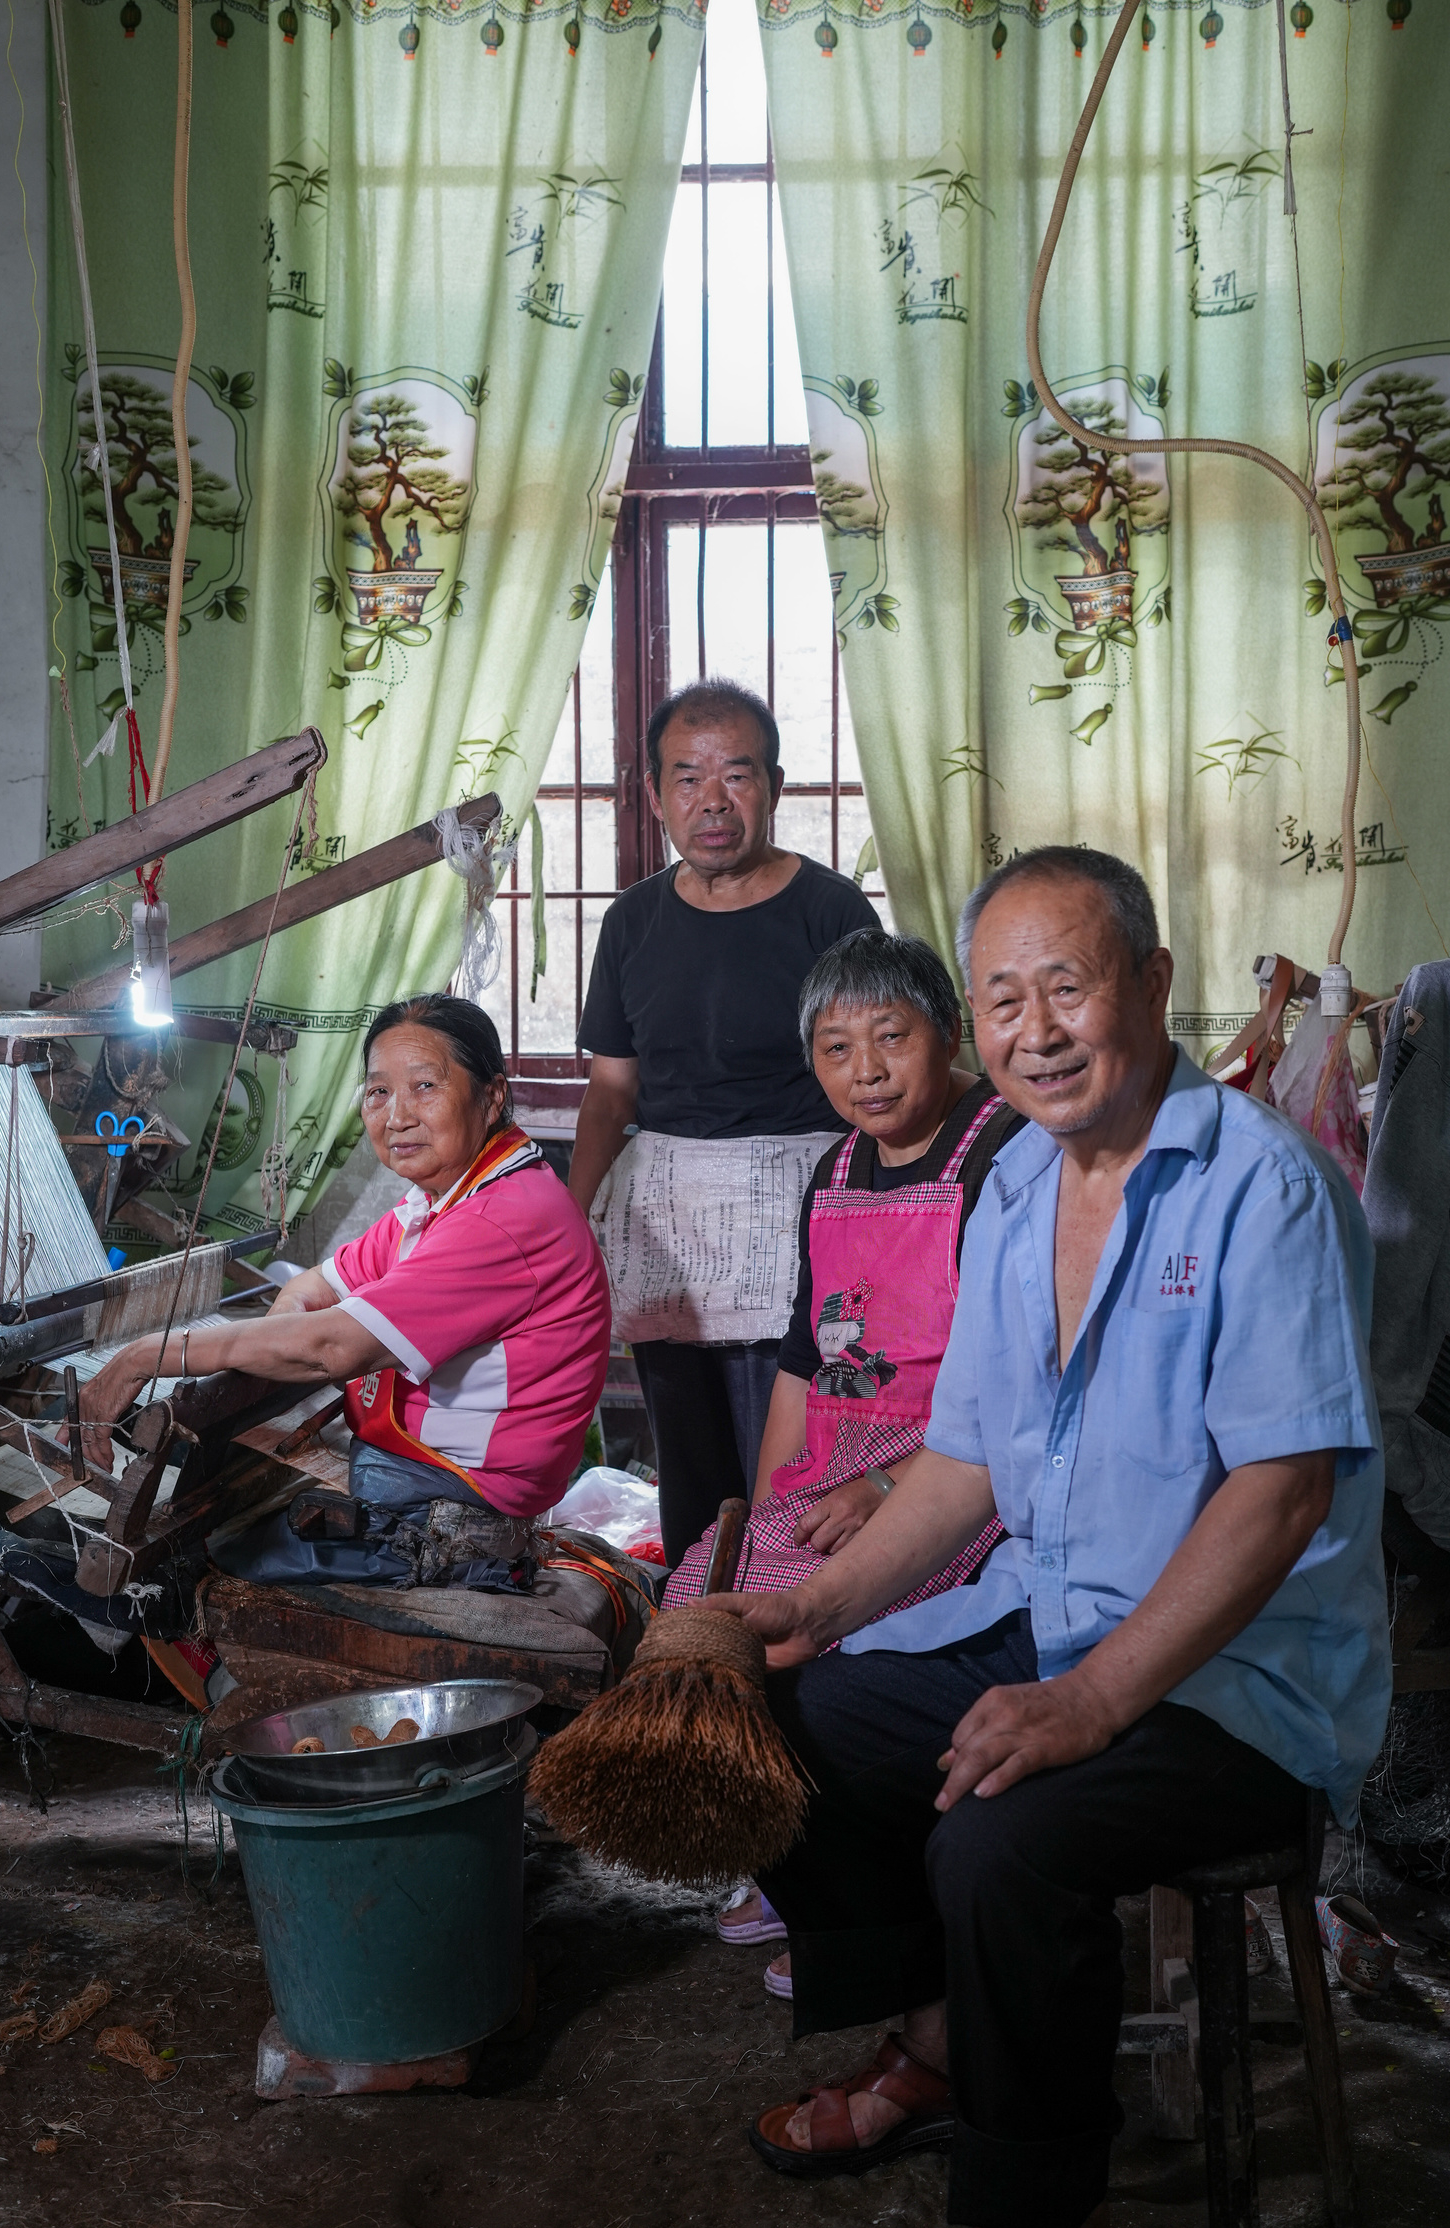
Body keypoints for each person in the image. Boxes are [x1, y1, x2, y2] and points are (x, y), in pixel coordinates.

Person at [709, 846, 1389, 2228]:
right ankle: (949, 2049)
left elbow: (1279, 1499)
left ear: (1150, 983)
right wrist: (811, 1605)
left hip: (1241, 1680)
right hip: (1060, 1613)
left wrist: (1085, 1711)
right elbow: (966, 1462)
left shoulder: (1264, 1186)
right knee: (798, 1712)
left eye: (1067, 986)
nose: (1034, 1029)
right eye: (1002, 998)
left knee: (1001, 1833)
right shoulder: (1013, 1178)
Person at [656, 928, 1019, 1989]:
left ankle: (868, 1876)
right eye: (833, 1047)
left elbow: (1017, 1384)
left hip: (958, 1471)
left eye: (888, 1038)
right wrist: (776, 1499)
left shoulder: (1000, 1151)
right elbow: (808, 1356)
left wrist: (888, 1490)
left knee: (828, 1648)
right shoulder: (835, 1165)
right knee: (704, 1594)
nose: (863, 1070)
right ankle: (792, 1857)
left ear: (945, 1031)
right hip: (841, 1464)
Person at [71, 996, 611, 1521]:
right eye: (379, 1091)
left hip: (461, 1487)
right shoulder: (445, 1199)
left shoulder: (501, 1219)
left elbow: (332, 1348)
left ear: (492, 1097)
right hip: (431, 1465)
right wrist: (276, 1349)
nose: (397, 1116)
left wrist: (142, 1356)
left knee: (212, 1540)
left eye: (425, 1086)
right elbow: (314, 1286)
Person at [570, 678, 880, 1567]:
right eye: (688, 779)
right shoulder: (632, 920)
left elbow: (877, 1077)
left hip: (798, 1213)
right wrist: (571, 1220)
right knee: (692, 1474)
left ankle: (783, 1641)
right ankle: (692, 1653)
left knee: (786, 1467)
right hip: (665, 1218)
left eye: (736, 776)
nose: (713, 802)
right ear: (655, 794)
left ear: (774, 787)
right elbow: (611, 1092)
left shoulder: (831, 913)